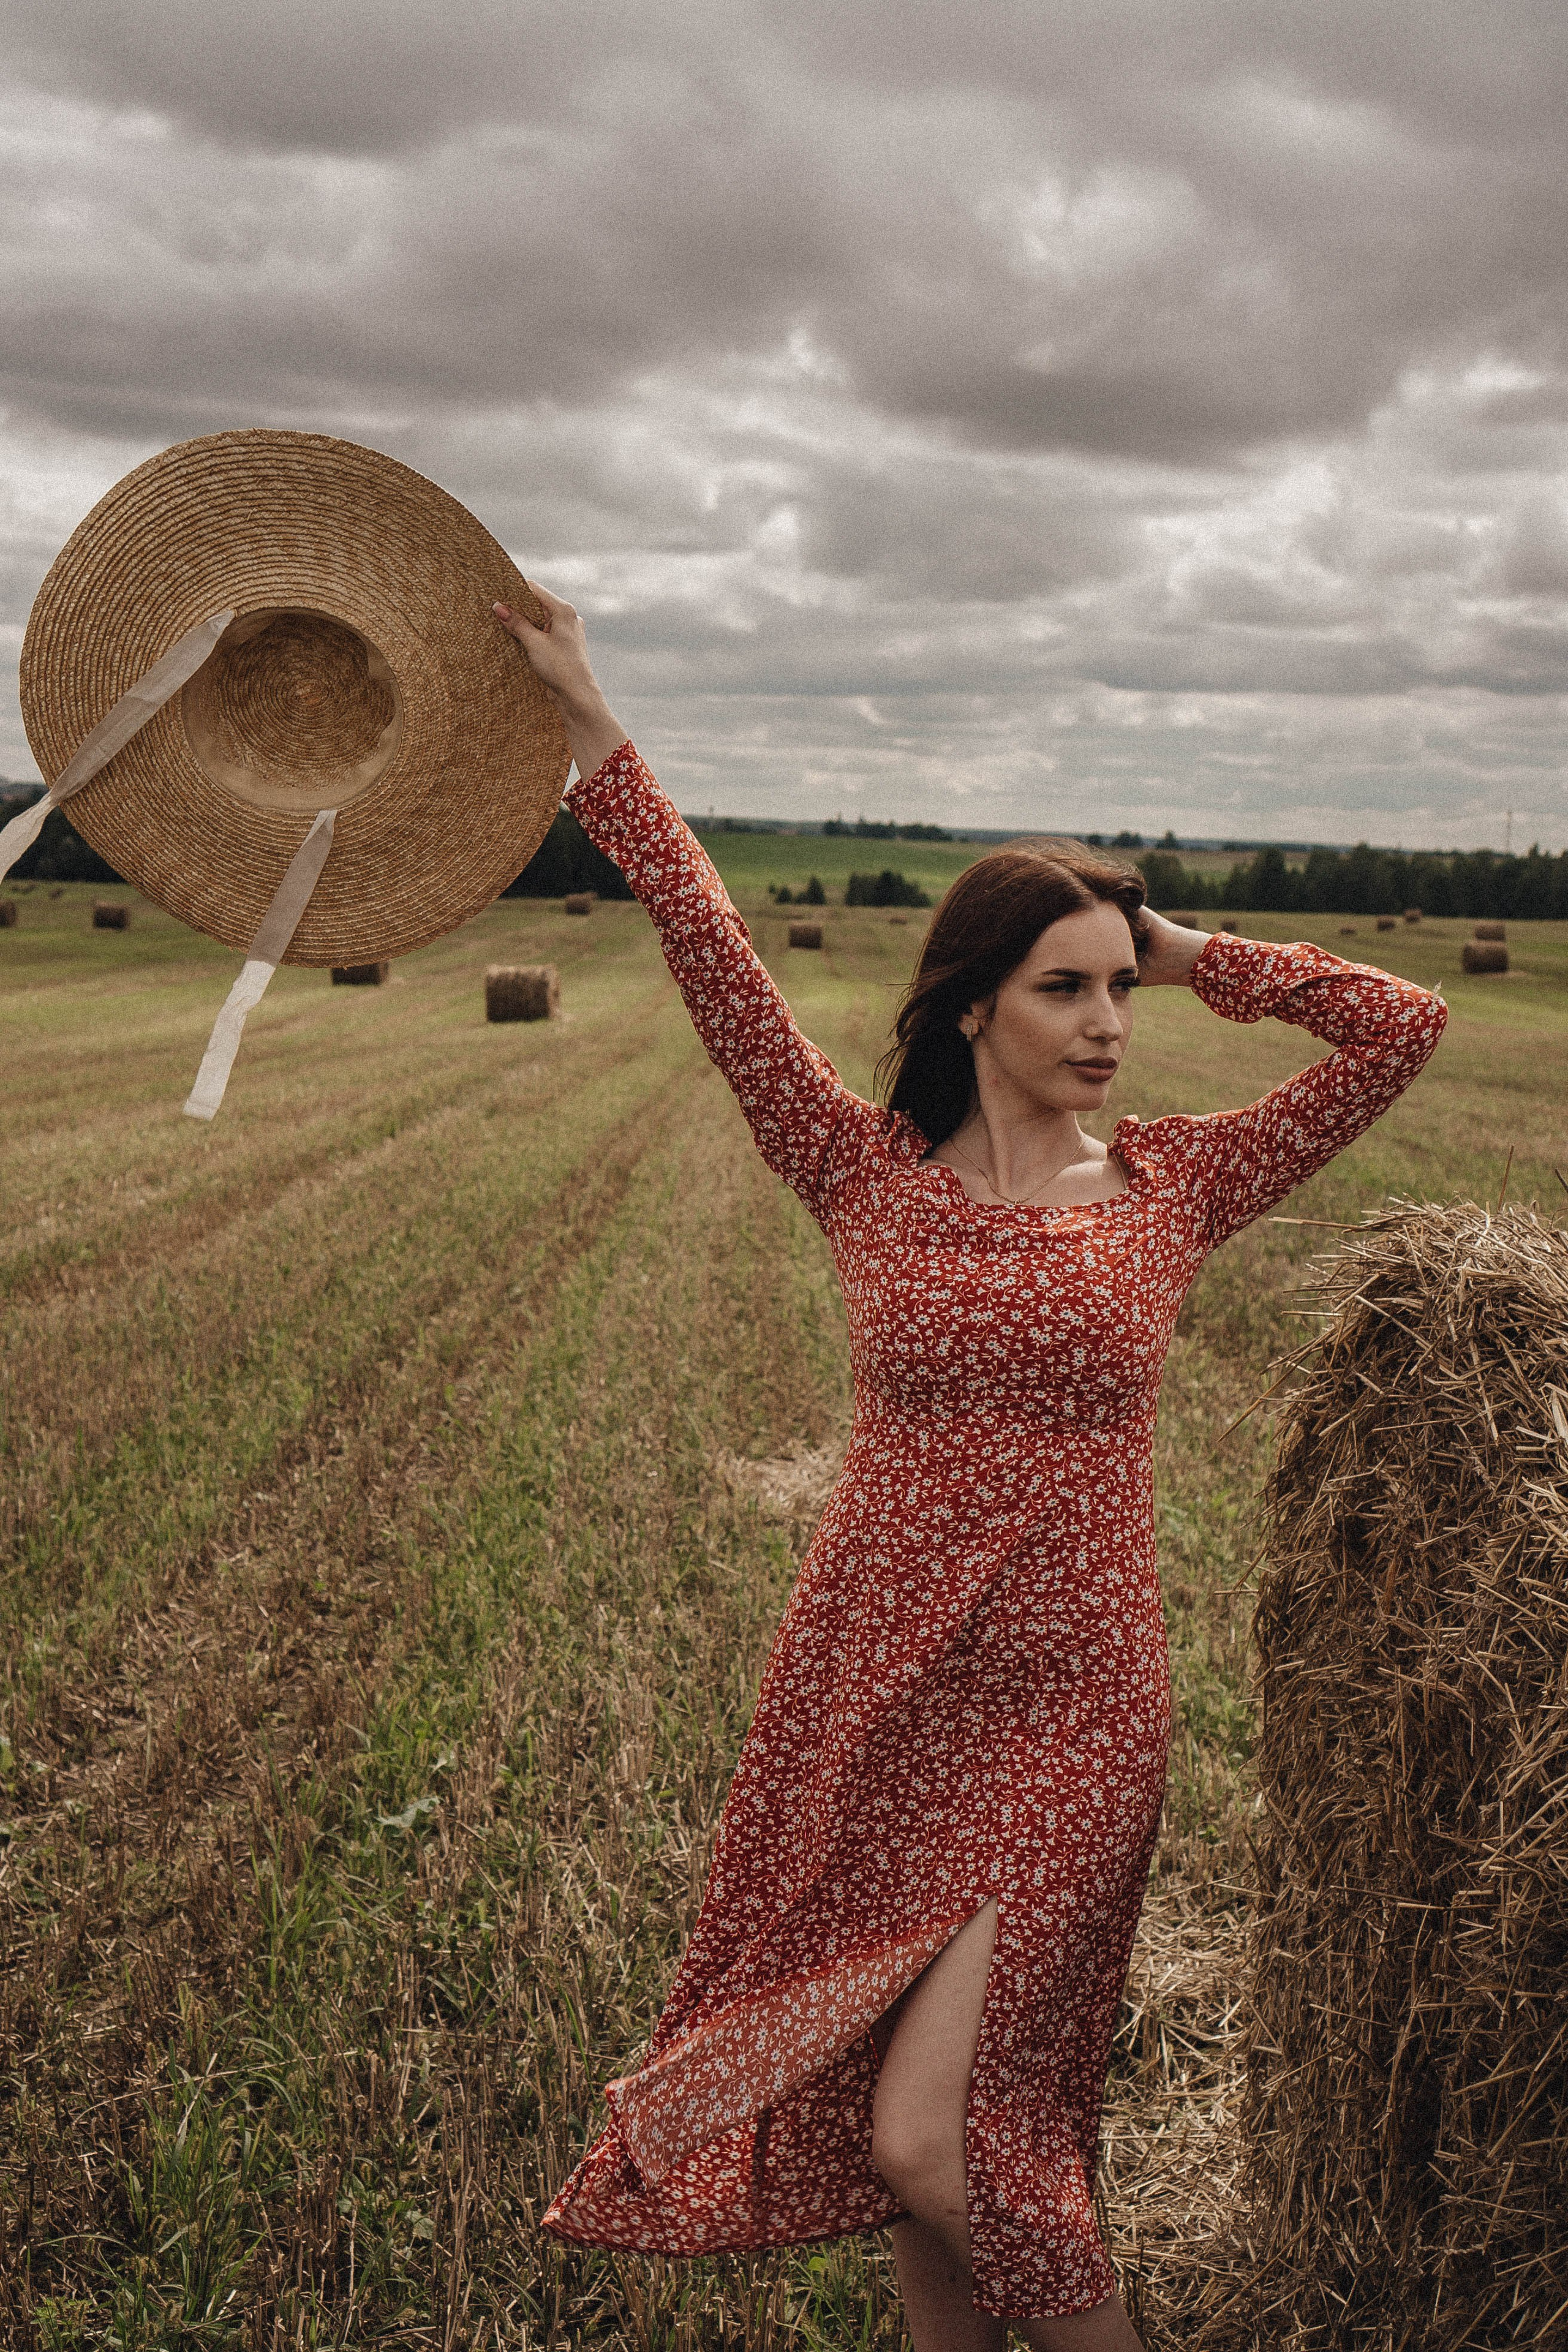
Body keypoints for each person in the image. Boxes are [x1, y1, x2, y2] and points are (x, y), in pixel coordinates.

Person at [492, 587, 1447, 2350]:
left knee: (958, 2141)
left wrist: (1182, 946)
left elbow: (1402, 1030)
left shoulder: (1177, 1187)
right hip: (882, 1688)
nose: (1104, 1022)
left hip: (1078, 1707)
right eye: (1063, 986)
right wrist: (591, 729)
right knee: (916, 2153)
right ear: (975, 1007)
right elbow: (716, 954)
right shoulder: (868, 1178)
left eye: (1115, 990)